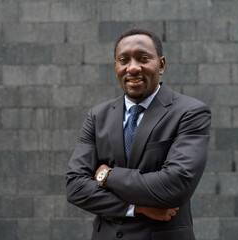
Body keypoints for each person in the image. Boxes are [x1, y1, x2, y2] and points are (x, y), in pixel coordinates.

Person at [66, 27, 211, 240]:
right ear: (116, 66)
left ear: (161, 65)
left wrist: (106, 175)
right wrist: (136, 208)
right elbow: (75, 187)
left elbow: (175, 186)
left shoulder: (190, 113)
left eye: (143, 59)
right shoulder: (97, 116)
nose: (133, 68)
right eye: (124, 60)